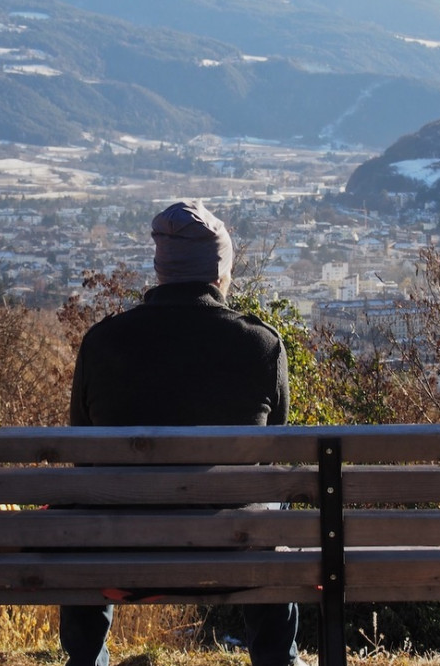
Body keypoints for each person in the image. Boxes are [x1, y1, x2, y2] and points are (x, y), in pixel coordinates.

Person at [62, 200, 300, 666]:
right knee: (274, 500)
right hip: (231, 551)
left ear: (162, 270)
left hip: (121, 550)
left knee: (85, 499)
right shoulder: (261, 345)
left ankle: (86, 658)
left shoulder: (103, 342)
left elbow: (82, 455)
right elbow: (274, 451)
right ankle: (277, 658)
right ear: (219, 273)